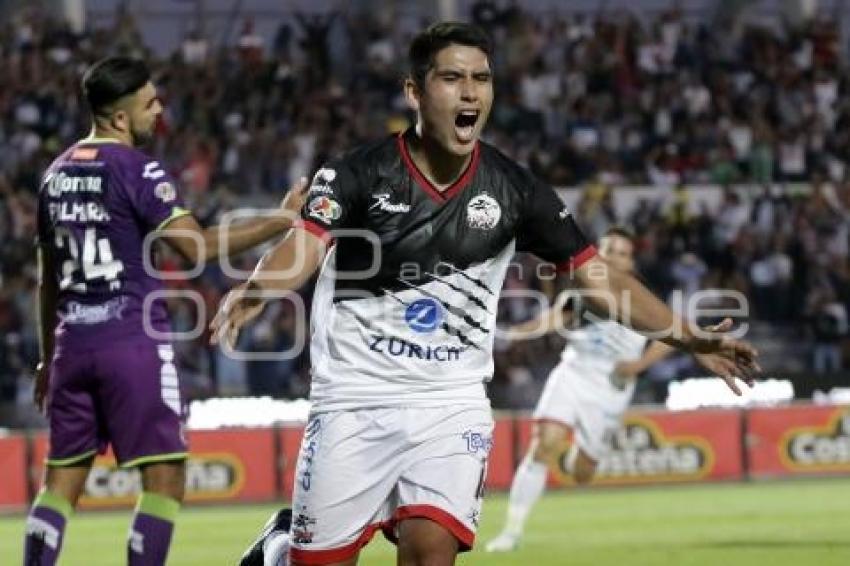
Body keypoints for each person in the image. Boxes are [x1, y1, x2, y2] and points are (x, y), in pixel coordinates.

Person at [213, 22, 759, 566]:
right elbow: (305, 245)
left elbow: (598, 280)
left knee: (432, 554)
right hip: (355, 398)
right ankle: (281, 550)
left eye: (482, 79)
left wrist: (686, 338)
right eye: (452, 78)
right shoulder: (356, 172)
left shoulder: (516, 190)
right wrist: (261, 286)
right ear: (415, 91)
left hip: (451, 402)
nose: (471, 91)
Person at [24, 56, 308, 566]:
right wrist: (282, 219)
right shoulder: (136, 167)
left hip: (71, 345)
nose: (159, 112)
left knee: (60, 483)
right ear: (118, 116)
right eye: (150, 103)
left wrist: (49, 357)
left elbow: (48, 280)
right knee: (165, 478)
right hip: (129, 341)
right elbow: (194, 249)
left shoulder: (54, 174)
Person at [486, 227, 677, 552]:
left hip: (611, 388)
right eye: (609, 250)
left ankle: (584, 453)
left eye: (622, 252)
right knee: (543, 445)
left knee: (582, 473)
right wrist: (513, 334)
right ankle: (512, 532)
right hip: (573, 373)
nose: (614, 257)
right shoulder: (581, 291)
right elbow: (553, 319)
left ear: (631, 262)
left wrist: (638, 366)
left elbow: (670, 335)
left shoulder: (643, 296)